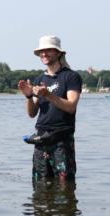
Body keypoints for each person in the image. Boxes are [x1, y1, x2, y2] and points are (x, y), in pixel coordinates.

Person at [17, 36, 82, 185]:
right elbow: (32, 113)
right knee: (39, 185)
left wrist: (48, 94)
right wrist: (28, 96)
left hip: (61, 140)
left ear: (58, 53)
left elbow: (71, 107)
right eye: (41, 51)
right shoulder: (40, 78)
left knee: (65, 185)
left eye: (48, 50)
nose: (44, 54)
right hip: (40, 140)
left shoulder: (71, 77)